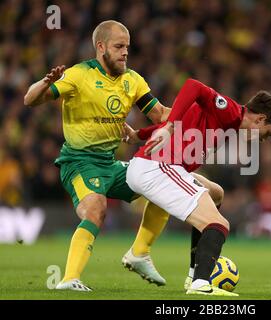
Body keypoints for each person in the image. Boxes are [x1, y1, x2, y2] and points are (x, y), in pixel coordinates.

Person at [23, 20, 174, 291]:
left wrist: (201, 113)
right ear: (101, 47)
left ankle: (139, 253)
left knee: (163, 183)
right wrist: (46, 82)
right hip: (79, 163)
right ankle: (69, 279)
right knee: (96, 208)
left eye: (127, 46)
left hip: (109, 164)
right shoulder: (79, 75)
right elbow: (30, 100)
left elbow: (161, 114)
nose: (125, 52)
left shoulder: (133, 80)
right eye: (118, 46)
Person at [123, 78, 271, 295]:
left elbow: (184, 120)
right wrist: (169, 125)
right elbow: (193, 86)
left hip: (162, 167)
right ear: (261, 119)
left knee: (216, 194)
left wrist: (139, 135)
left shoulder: (227, 122)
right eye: (267, 133)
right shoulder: (230, 110)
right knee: (219, 224)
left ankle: (194, 274)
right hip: (157, 167)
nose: (263, 139)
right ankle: (200, 284)